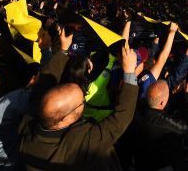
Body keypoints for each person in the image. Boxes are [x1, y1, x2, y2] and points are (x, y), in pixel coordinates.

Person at [19, 37, 138, 171]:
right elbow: (120, 119)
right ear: (66, 118)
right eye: (81, 103)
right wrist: (129, 72)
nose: (84, 102)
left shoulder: (29, 123)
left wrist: (63, 50)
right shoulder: (80, 144)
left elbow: (43, 84)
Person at [124, 77, 188, 170]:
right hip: (160, 164)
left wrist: (176, 95)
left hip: (139, 159)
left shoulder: (138, 107)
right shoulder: (161, 123)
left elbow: (158, 105)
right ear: (162, 102)